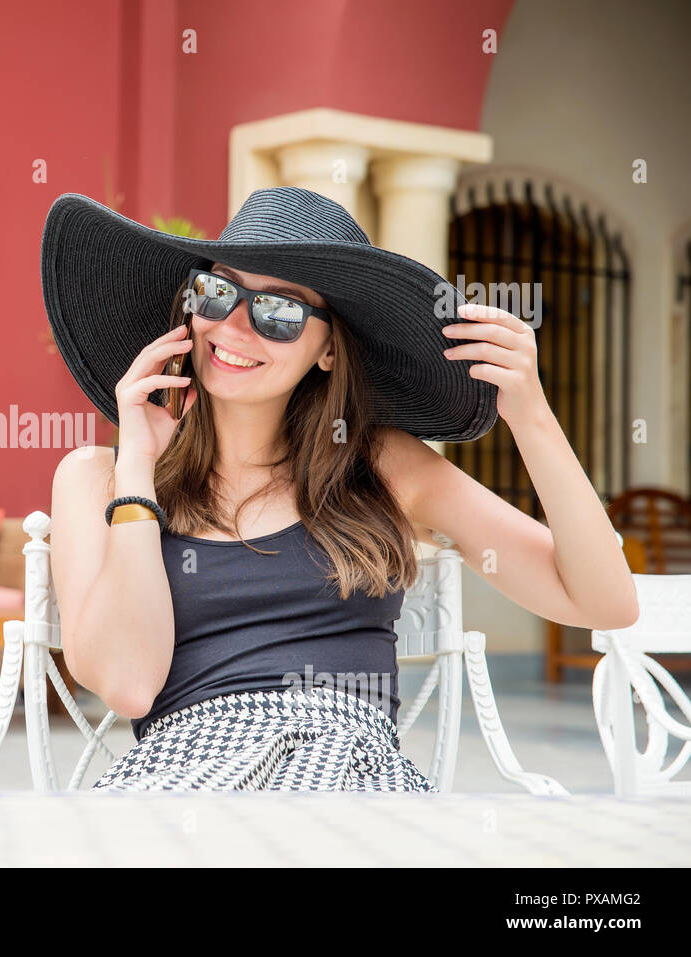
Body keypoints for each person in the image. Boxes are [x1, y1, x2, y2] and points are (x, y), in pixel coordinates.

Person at [38, 187, 639, 792]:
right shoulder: (97, 478)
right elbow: (129, 684)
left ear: (328, 348)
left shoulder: (380, 465)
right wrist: (138, 473)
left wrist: (531, 417)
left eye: (280, 312)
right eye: (217, 292)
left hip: (347, 773)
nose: (235, 325)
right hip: (184, 778)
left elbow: (604, 602)